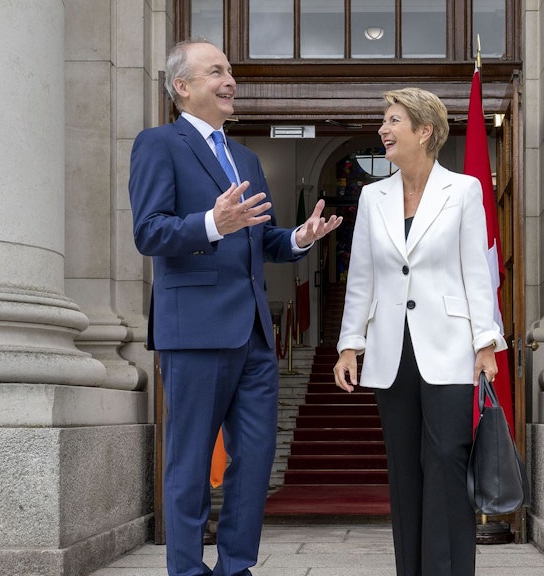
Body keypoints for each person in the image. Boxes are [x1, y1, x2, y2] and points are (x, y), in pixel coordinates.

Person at [129, 39, 341, 576]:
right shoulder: (159, 144)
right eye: (216, 71)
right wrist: (210, 224)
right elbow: (149, 233)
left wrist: (299, 238)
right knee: (190, 463)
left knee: (254, 462)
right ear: (183, 87)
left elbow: (261, 239)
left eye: (231, 71)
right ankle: (186, 569)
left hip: (254, 336)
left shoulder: (243, 157)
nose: (230, 81)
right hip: (195, 333)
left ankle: (236, 567)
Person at [332, 87, 507, 576]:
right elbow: (362, 275)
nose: (383, 130)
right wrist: (350, 345)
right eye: (384, 121)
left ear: (425, 130)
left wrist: (486, 342)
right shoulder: (372, 196)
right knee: (404, 470)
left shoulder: (464, 189)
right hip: (391, 350)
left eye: (394, 121)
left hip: (449, 346)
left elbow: (476, 271)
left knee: (447, 460)